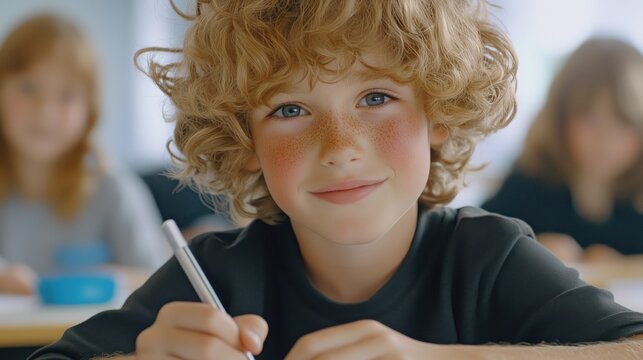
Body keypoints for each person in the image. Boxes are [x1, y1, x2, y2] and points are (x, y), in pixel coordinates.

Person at [30, 1, 643, 359]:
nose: (341, 148)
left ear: (438, 112)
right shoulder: (215, 274)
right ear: (245, 143)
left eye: (376, 96)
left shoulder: (489, 259)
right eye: (290, 110)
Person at [0, 14, 169, 294]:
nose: (45, 111)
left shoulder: (113, 188)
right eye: (28, 89)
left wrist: (101, 281)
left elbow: (161, 281)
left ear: (89, 111)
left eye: (67, 96)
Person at [483, 38, 643, 263]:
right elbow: (471, 243)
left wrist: (625, 267)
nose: (605, 139)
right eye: (591, 118)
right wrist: (528, 248)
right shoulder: (528, 185)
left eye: (624, 122)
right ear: (560, 118)